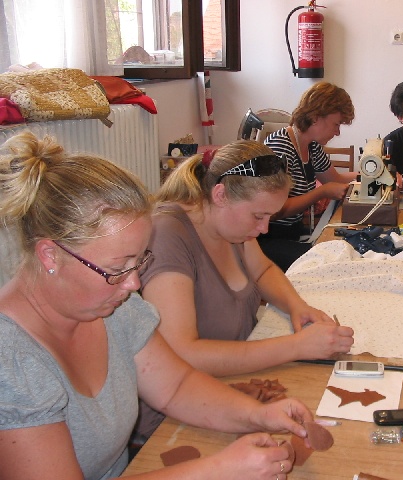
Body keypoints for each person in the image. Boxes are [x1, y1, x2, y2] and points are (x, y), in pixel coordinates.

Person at [0, 132, 313, 480]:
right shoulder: (11, 361)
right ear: (50, 255)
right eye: (118, 268)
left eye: (138, 262)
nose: (134, 284)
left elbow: (176, 386)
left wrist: (257, 414)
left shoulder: (112, 306)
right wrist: (221, 468)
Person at [136, 139, 354, 440]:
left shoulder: (231, 224)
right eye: (258, 216)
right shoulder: (167, 236)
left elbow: (262, 271)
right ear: (221, 195)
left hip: (232, 382)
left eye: (269, 217)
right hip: (176, 416)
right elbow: (182, 354)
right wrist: (296, 347)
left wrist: (297, 306)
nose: (264, 229)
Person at [261, 81, 357, 271]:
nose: (337, 132)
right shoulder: (280, 147)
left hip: (293, 232)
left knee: (344, 249)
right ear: (315, 117)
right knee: (330, 264)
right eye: (336, 124)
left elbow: (336, 180)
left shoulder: (312, 147)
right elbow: (274, 210)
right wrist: (321, 192)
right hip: (268, 239)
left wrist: (370, 175)